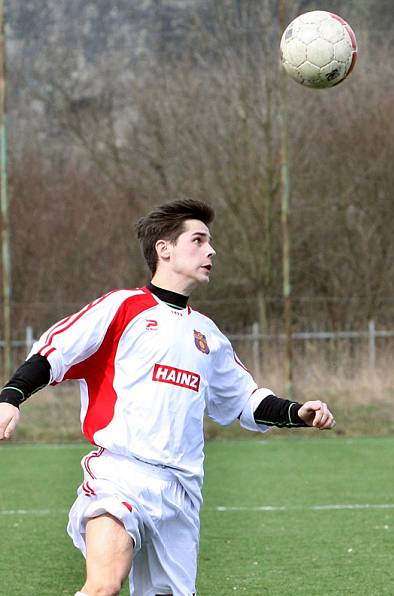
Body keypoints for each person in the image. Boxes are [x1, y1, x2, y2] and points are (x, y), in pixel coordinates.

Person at [0, 198, 336, 596]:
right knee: (103, 587)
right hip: (121, 476)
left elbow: (245, 401)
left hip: (181, 492)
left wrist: (299, 412)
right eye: (198, 240)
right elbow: (53, 352)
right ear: (164, 249)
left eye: (210, 243)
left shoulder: (208, 336)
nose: (211, 251)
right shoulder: (124, 307)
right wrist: (10, 397)